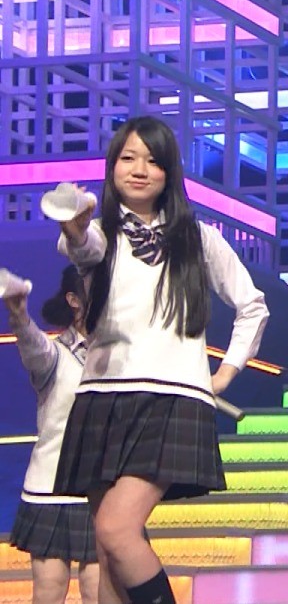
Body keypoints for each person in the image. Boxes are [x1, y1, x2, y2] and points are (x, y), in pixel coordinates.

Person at [54, 116, 270, 604]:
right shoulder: (100, 235)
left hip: (172, 399)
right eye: (128, 158)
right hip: (103, 398)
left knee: (116, 530)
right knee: (108, 552)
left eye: (152, 161)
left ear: (170, 172)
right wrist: (73, 224)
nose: (139, 169)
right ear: (112, 167)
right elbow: (80, 247)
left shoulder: (199, 237)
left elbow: (252, 306)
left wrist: (226, 373)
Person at [3, 267, 98, 604]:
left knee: (99, 591)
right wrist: (19, 316)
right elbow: (33, 346)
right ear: (74, 300)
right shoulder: (55, 355)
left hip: (100, 492)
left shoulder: (119, 354)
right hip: (50, 491)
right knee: (49, 590)